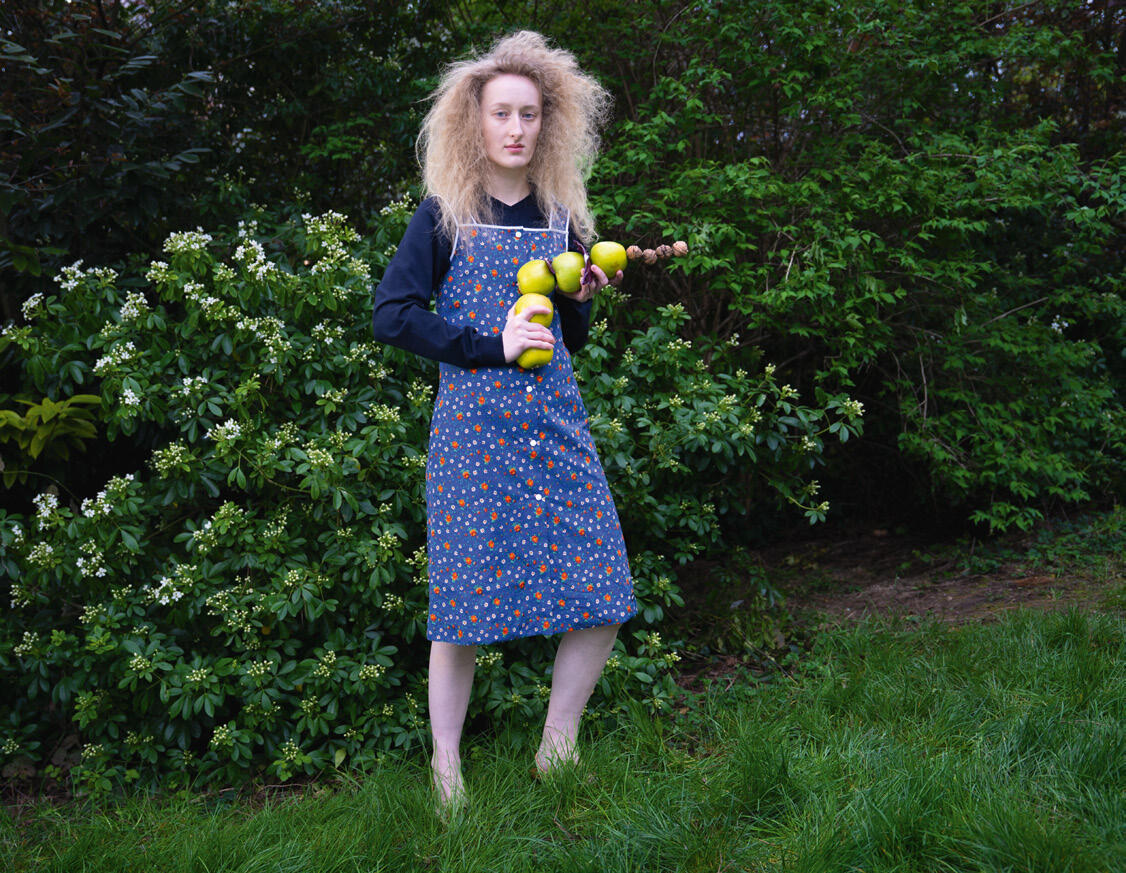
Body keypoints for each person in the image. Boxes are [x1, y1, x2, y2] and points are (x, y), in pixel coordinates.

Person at [371, 30, 637, 813]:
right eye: (501, 114)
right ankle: (446, 767)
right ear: (475, 121)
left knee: (604, 585)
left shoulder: (562, 218)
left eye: (529, 114)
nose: (515, 128)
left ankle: (558, 745)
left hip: (554, 426)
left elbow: (567, 337)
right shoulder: (444, 216)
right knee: (461, 608)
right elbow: (392, 314)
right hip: (473, 433)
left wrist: (579, 302)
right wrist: (491, 345)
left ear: (548, 124)